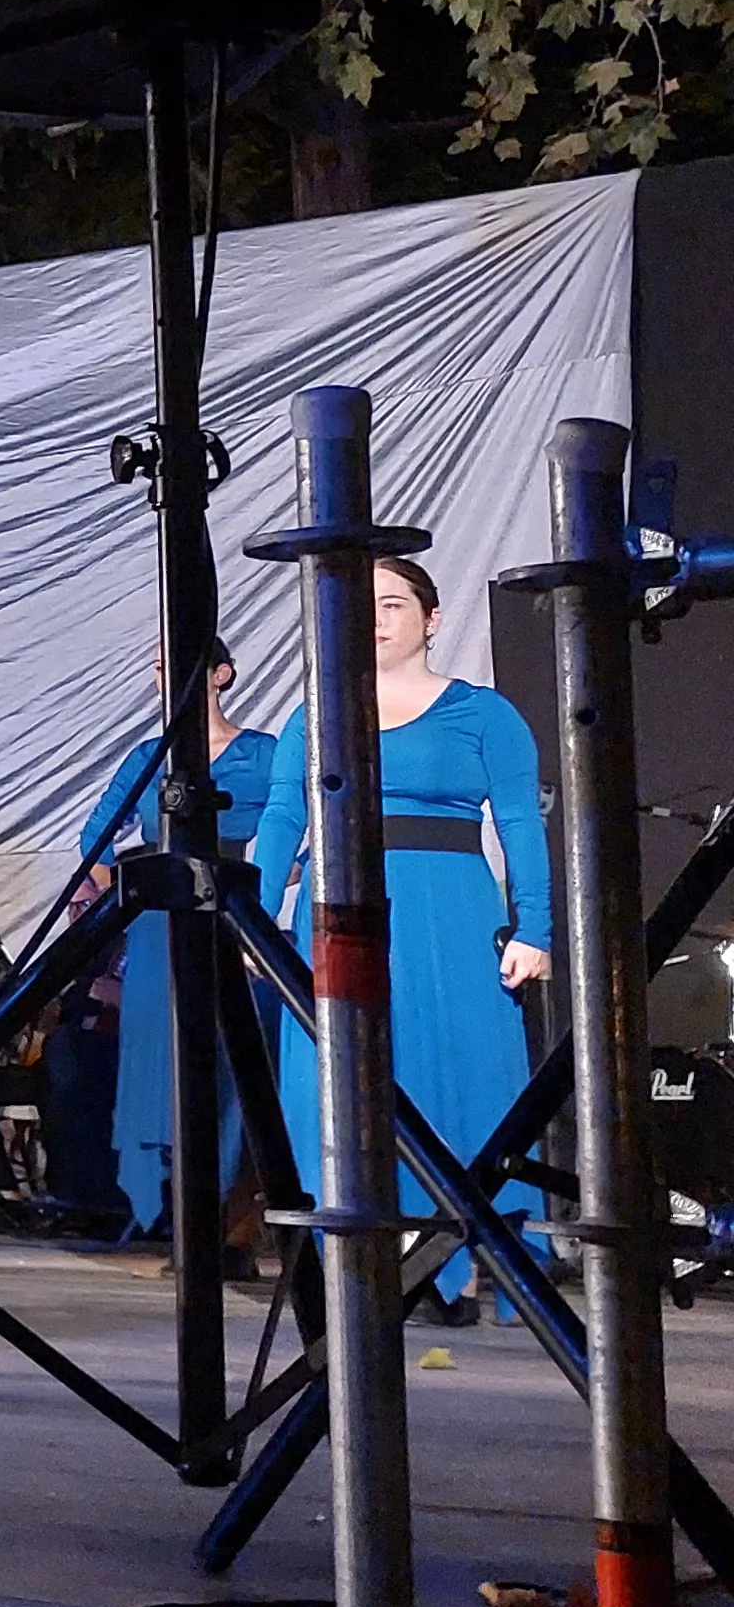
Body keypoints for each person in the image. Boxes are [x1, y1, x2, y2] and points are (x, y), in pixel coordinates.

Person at [253, 557, 554, 1321]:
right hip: (340, 905)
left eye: (393, 603)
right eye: (364, 606)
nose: (377, 618)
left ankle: (459, 1264)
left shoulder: (485, 714)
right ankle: (358, 1261)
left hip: (446, 907)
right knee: (332, 1079)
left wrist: (536, 927)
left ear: (432, 617)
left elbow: (519, 823)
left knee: (456, 1072)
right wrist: (252, 919)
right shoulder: (315, 712)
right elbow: (282, 821)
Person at [76, 645, 282, 1239]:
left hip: (232, 910)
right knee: (153, 1054)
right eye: (162, 666)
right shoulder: (150, 754)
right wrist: (124, 890)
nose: (167, 676)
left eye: (180, 664)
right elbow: (96, 835)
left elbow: (298, 826)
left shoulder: (261, 753)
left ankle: (221, 1212)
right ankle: (159, 1209)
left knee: (222, 1053)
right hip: (159, 919)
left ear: (221, 674)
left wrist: (270, 878)